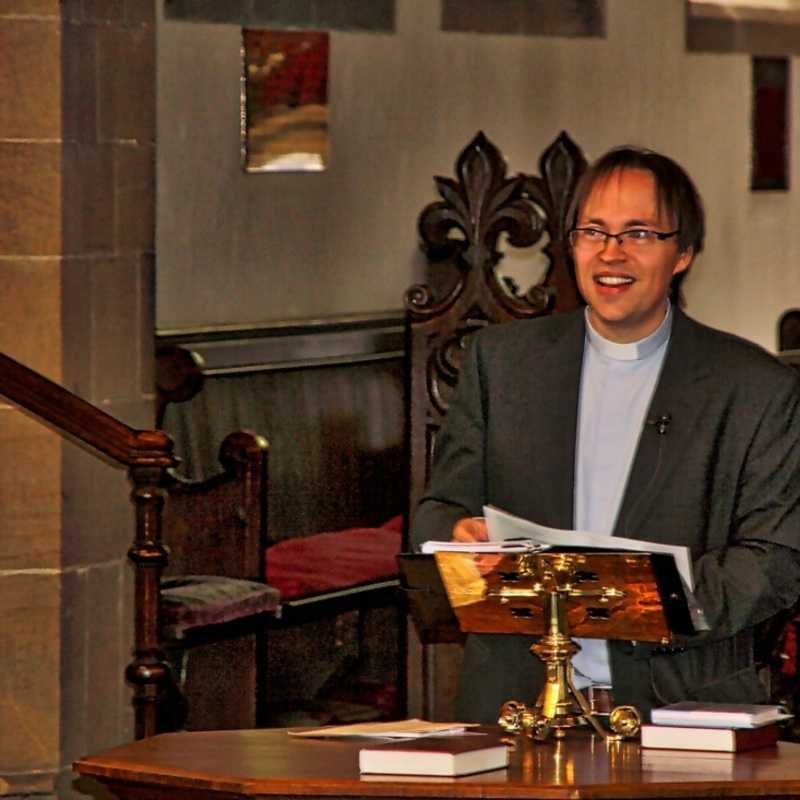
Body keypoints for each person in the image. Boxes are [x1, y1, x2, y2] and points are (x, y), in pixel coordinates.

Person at [410, 145, 800, 724]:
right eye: (593, 231)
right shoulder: (503, 363)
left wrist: (634, 598)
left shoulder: (754, 387)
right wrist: (456, 534)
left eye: (639, 233)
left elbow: (775, 561)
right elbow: (439, 508)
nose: (610, 253)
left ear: (684, 252)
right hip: (514, 706)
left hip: (680, 708)